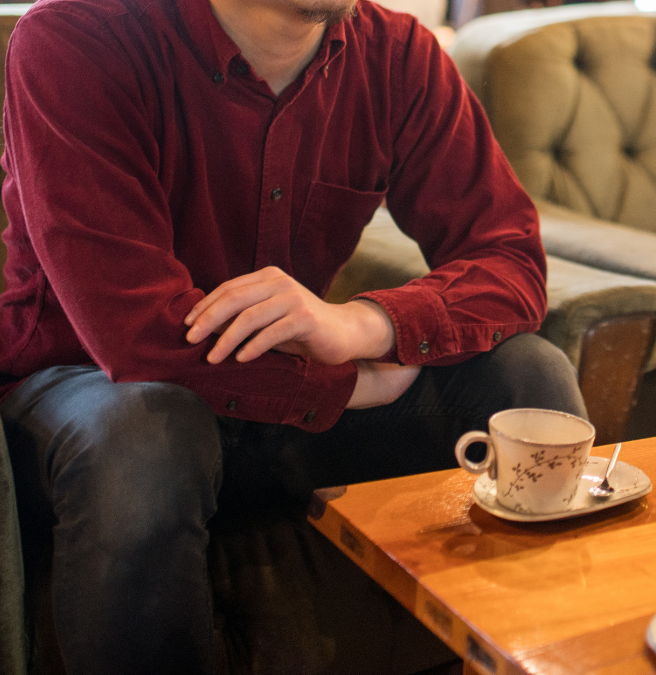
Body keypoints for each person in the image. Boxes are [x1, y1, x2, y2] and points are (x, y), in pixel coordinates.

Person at [0, 0, 586, 671]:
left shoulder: (398, 55)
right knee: (149, 433)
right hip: (87, 389)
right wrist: (354, 380)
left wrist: (369, 322)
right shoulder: (78, 34)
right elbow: (135, 334)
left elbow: (511, 258)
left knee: (526, 378)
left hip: (275, 415)